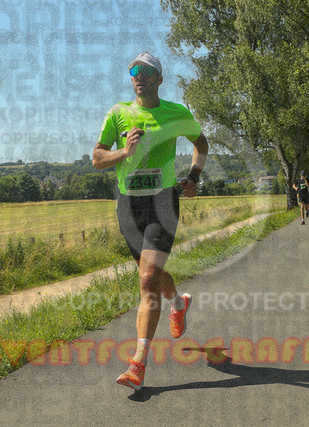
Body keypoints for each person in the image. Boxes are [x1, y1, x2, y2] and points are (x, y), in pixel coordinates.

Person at [92, 52, 209, 391]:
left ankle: (138, 363)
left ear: (159, 78)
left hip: (163, 203)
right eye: (134, 70)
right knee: (152, 276)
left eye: (146, 70)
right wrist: (124, 153)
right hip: (129, 206)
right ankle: (178, 303)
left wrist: (194, 176)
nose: (138, 75)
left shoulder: (176, 113)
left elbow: (201, 143)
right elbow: (97, 157)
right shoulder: (118, 113)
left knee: (147, 279)